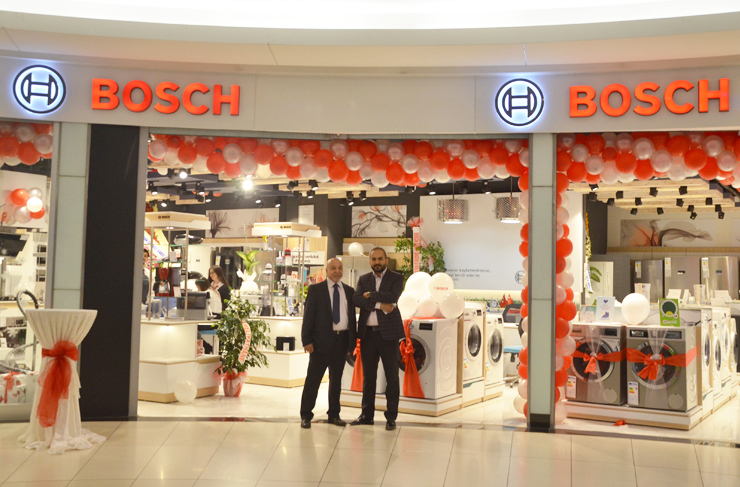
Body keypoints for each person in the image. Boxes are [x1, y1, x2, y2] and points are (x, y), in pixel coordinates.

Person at [299, 258, 356, 429]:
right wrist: (306, 340)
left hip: (341, 341)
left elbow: (351, 319)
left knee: (336, 381)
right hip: (320, 343)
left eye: (340, 268)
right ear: (327, 270)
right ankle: (306, 415)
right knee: (313, 380)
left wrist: (351, 344)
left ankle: (334, 415)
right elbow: (308, 317)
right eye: (333, 268)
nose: (337, 271)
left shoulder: (349, 291)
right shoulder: (316, 290)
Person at [351, 247, 404, 431]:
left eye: (380, 259)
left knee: (392, 377)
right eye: (374, 259)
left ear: (386, 260)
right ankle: (366, 415)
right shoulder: (364, 279)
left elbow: (393, 296)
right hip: (368, 335)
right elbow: (357, 299)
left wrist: (370, 295)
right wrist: (380, 305)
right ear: (370, 261)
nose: (377, 262)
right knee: (369, 377)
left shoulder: (396, 278)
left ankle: (391, 417)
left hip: (388, 335)